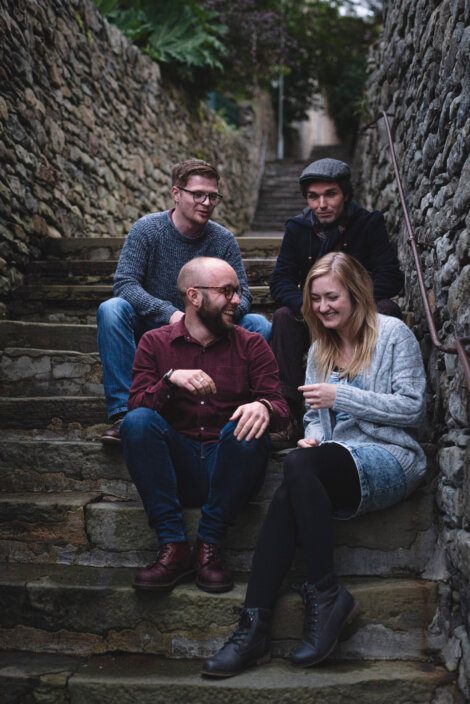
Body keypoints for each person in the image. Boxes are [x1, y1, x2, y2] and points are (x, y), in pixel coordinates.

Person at [202, 251, 427, 677]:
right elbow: (313, 418)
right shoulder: (319, 349)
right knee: (295, 476)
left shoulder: (393, 334)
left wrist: (341, 398)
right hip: (338, 458)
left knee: (299, 469)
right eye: (316, 299)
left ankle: (320, 595)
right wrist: (316, 437)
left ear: (356, 294)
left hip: (393, 458)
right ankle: (255, 626)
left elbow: (413, 409)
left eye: (332, 297)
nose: (323, 307)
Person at [120, 257, 288, 594]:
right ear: (194, 296)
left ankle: (209, 545)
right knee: (138, 422)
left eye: (237, 292)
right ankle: (174, 546)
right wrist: (169, 380)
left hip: (228, 467)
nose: (237, 301)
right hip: (176, 466)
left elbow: (282, 408)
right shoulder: (154, 343)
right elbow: (135, 410)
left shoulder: (252, 344)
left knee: (246, 423)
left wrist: (263, 406)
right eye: (227, 292)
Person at [97, 158, 272, 443]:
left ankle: (247, 412)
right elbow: (125, 283)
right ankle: (123, 413)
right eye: (198, 194)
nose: (206, 202)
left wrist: (213, 316)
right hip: (156, 330)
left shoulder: (223, 240)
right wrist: (170, 315)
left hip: (211, 327)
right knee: (112, 309)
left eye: (212, 196)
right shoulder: (147, 230)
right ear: (176, 193)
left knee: (258, 324)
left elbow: (245, 294)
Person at [269, 157, 404, 444]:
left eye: (330, 194)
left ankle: (379, 404)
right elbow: (280, 280)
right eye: (313, 197)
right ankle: (288, 413)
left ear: (345, 194)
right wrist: (311, 307)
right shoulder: (297, 228)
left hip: (357, 319)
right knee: (281, 317)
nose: (321, 204)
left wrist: (350, 307)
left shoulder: (368, 224)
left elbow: (390, 278)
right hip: (313, 316)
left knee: (387, 310)